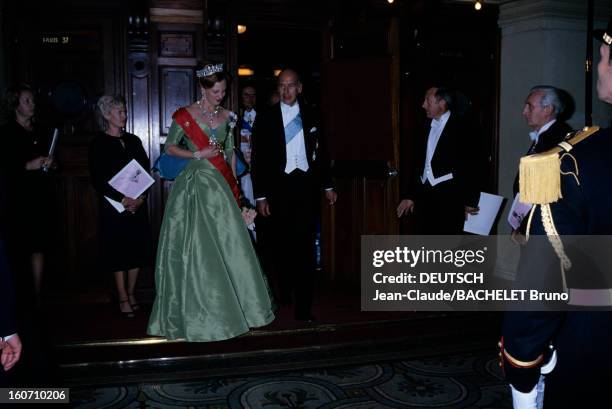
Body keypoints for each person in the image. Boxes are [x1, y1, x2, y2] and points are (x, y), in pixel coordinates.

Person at [501, 17, 612, 408]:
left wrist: (522, 356)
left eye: (602, 56)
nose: (598, 66)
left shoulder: (575, 160)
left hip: (594, 344)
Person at [147, 63, 274, 342]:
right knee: (196, 250)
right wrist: (198, 154)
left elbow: (230, 155)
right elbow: (169, 148)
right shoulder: (184, 115)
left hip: (221, 188)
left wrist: (238, 197)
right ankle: (196, 314)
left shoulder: (229, 116)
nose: (221, 95)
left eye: (224, 90)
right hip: (192, 188)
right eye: (216, 90)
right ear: (203, 88)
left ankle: (239, 310)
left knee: (230, 247)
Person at [251, 68, 336, 321]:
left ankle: (303, 307)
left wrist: (328, 185)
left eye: (290, 85)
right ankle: (284, 288)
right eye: (281, 86)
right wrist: (261, 195)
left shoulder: (312, 114)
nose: (286, 90)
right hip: (278, 187)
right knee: (281, 246)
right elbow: (259, 159)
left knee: (305, 248)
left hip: (306, 186)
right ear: (278, 88)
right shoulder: (266, 117)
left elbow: (322, 153)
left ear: (299, 87)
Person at [89, 95, 152, 318]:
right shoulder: (98, 143)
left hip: (137, 203)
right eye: (119, 112)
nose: (124, 115)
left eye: (124, 111)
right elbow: (98, 178)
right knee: (117, 251)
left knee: (136, 248)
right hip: (113, 205)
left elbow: (145, 169)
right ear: (107, 115)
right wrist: (123, 200)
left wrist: (140, 198)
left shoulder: (134, 140)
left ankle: (132, 293)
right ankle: (122, 296)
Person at [397, 86, 480, 234]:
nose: (423, 105)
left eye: (427, 101)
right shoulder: (422, 126)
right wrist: (409, 195)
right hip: (424, 197)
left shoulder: (463, 127)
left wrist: (470, 201)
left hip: (450, 198)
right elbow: (417, 163)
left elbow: (472, 165)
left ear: (441, 103)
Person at [0, 84, 55, 305]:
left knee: (39, 246)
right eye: (27, 101)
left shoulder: (41, 131)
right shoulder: (5, 133)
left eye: (33, 101)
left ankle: (36, 296)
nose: (32, 105)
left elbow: (53, 160)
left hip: (40, 194)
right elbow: (4, 167)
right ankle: (19, 296)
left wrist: (51, 163)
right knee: (18, 247)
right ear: (15, 105)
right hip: (17, 197)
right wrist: (26, 166)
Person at [510, 86, 573, 242]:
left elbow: (543, 193)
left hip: (543, 228)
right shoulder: (548, 135)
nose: (524, 112)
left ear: (548, 110)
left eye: (529, 106)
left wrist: (526, 227)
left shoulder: (557, 140)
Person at [238, 85, 257, 207]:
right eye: (246, 95)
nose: (250, 98)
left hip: (256, 167)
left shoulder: (263, 117)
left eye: (253, 95)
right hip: (239, 166)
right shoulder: (235, 118)